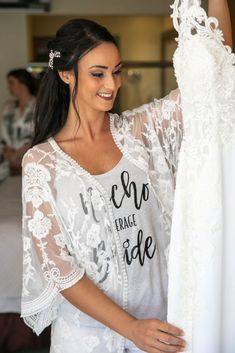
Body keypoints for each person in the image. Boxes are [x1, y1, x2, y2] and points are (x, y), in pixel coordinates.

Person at [20, 1, 232, 352]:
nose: (112, 84)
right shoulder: (42, 164)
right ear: (66, 74)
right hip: (88, 338)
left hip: (162, 326)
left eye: (116, 71)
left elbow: (213, 78)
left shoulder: (141, 132)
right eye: (98, 73)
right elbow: (60, 268)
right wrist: (131, 329)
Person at [1, 69, 36, 175]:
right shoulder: (8, 107)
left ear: (23, 83)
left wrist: (18, 155)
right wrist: (10, 155)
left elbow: (41, 136)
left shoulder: (39, 107)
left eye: (11, 83)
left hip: (32, 161)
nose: (8, 87)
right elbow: (3, 136)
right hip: (8, 163)